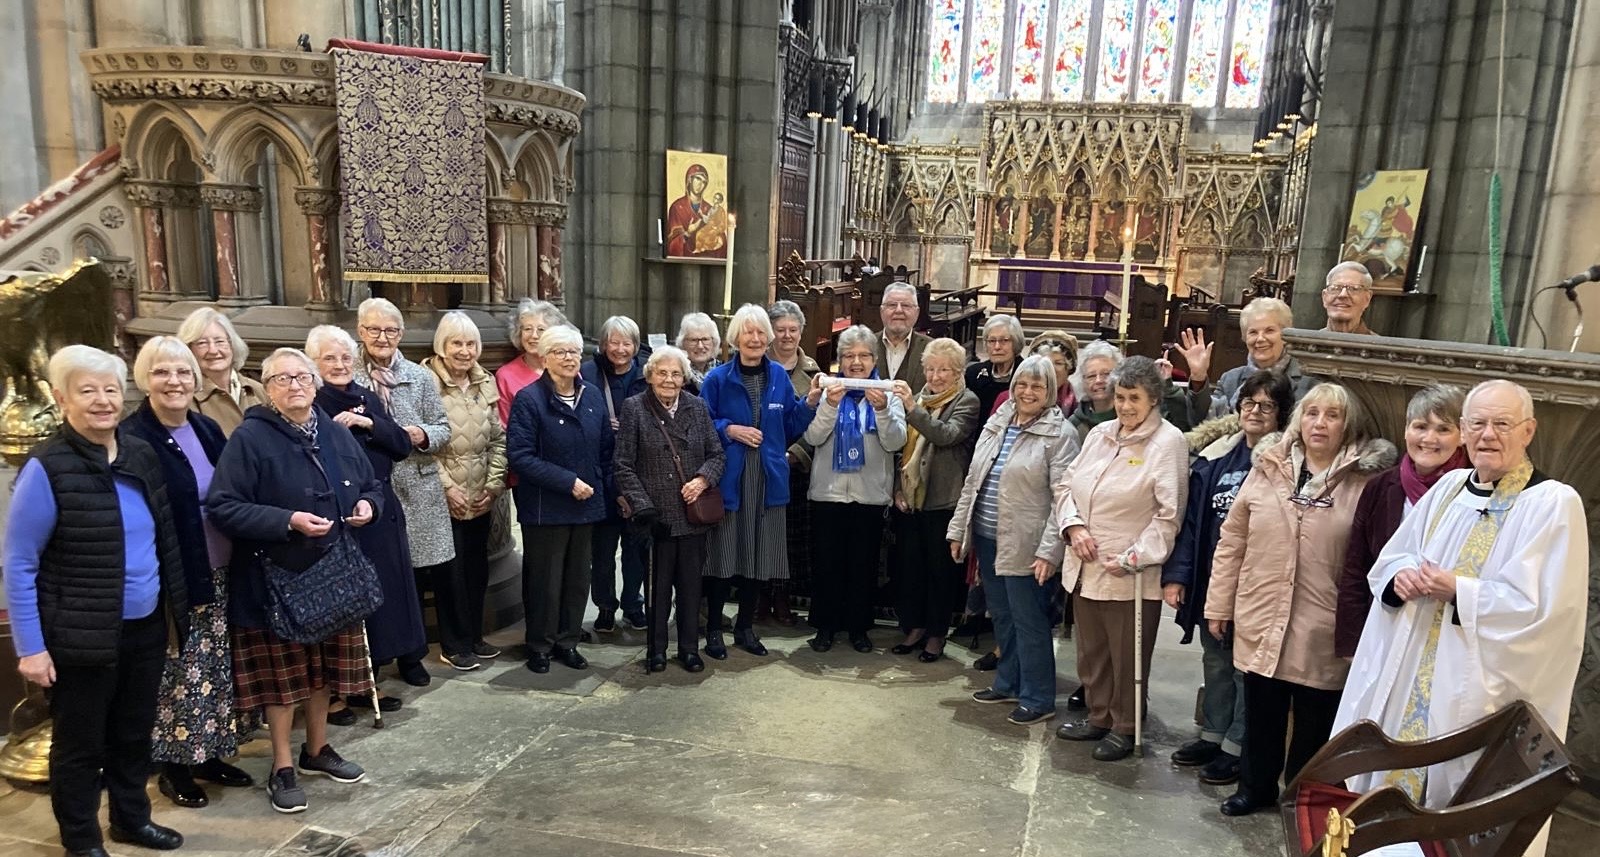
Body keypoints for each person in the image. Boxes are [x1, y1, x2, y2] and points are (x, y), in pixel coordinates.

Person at [1332, 381, 1587, 857]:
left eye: (1502, 424)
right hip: (1411, 675)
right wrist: (1400, 577)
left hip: (1479, 690)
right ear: (1465, 431)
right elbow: (1394, 556)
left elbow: (1548, 612)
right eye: (1478, 423)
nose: (1488, 435)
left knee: (1460, 808)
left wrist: (1460, 591)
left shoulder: (1553, 503)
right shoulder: (1450, 488)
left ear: (1528, 431)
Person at [3, 345, 189, 854]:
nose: (103, 401)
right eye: (88, 391)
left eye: (110, 389)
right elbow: (19, 563)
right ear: (62, 399)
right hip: (81, 633)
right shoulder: (48, 467)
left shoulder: (139, 453)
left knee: (133, 734)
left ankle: (131, 819)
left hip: (145, 625)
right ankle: (81, 840)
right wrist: (31, 648)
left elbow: (163, 537)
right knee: (81, 745)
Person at [1204, 382, 1395, 816]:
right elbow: (1232, 540)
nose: (1319, 423)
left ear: (1348, 426)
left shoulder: (1366, 481)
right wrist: (1219, 604)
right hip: (1262, 609)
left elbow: (1374, 556)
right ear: (1298, 420)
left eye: (1332, 415)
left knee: (1314, 721)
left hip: (1322, 621)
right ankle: (1255, 789)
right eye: (1312, 413)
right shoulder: (1268, 466)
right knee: (1261, 713)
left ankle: (1301, 799)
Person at [209, 347, 378, 815]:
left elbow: (370, 484)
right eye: (281, 379)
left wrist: (369, 505)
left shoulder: (334, 432)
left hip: (334, 575)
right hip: (277, 579)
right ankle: (282, 765)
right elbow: (223, 506)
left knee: (324, 672)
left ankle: (317, 749)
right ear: (268, 389)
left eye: (302, 377)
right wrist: (287, 521)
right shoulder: (250, 438)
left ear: (315, 384)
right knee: (282, 684)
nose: (294, 385)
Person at [123, 337, 254, 809]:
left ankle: (211, 754)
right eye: (162, 372)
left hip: (223, 567)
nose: (174, 381)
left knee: (218, 668)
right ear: (144, 380)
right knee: (180, 673)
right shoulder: (134, 437)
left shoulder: (205, 427)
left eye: (182, 372)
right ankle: (175, 767)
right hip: (176, 573)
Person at [1161, 370, 1294, 787]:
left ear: (1281, 415)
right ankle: (1213, 735)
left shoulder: (1285, 464)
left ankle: (1237, 747)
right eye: (1249, 403)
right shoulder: (1216, 456)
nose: (1256, 412)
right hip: (1211, 578)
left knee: (1243, 669)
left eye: (1267, 406)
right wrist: (1178, 576)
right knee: (1215, 662)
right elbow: (1192, 522)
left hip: (1255, 584)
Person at [1054, 356, 1189, 761]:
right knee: (1091, 651)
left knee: (1126, 656)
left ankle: (1125, 726)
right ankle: (1098, 716)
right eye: (1120, 397)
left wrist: (1134, 556)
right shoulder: (1099, 434)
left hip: (1129, 572)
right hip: (1085, 563)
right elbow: (1065, 486)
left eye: (1135, 398)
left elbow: (1169, 516)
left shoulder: (1168, 442)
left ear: (1154, 399)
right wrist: (1073, 527)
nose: (1125, 406)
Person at [948, 355, 1078, 726]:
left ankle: (1038, 697)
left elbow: (1064, 498)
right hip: (988, 536)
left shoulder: (1060, 434)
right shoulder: (998, 421)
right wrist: (958, 529)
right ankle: (1008, 683)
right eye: (1022, 384)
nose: (1027, 392)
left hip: (1027, 543)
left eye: (1037, 386)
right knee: (1003, 616)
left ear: (1050, 391)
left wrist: (1049, 551)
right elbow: (974, 480)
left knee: (1029, 621)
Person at [306, 325, 428, 717]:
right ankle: (342, 690)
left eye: (345, 357)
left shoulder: (366, 396)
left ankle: (370, 679)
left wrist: (370, 423)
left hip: (380, 506)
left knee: (386, 597)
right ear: (313, 363)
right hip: (342, 513)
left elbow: (401, 445)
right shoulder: (312, 401)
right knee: (349, 604)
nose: (339, 364)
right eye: (329, 358)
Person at [702, 304, 820, 658]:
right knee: (723, 558)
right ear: (735, 338)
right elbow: (701, 424)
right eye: (747, 332)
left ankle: (745, 629)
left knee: (758, 557)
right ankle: (713, 630)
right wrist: (730, 430)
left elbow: (790, 425)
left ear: (767, 338)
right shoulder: (717, 379)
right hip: (731, 479)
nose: (754, 339)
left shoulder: (779, 377)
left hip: (767, 480)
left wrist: (810, 403)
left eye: (759, 333)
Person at [354, 298, 461, 680]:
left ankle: (412, 656)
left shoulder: (419, 376)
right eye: (374, 329)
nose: (382, 337)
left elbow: (442, 428)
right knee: (384, 573)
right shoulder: (349, 375)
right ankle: (380, 656)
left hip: (417, 486)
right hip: (372, 486)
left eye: (390, 330)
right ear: (360, 332)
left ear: (401, 334)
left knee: (416, 574)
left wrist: (421, 434)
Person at [507, 324, 613, 674]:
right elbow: (520, 456)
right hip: (546, 507)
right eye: (560, 352)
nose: (569, 358)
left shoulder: (592, 396)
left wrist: (600, 487)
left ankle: (568, 641)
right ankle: (540, 645)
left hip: (586, 505)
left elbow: (605, 449)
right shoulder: (529, 399)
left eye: (574, 352)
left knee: (577, 579)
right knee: (545, 581)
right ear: (544, 357)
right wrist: (568, 482)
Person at [613, 346, 727, 672]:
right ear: (650, 376)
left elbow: (717, 454)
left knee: (691, 589)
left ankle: (689, 649)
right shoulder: (635, 408)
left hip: (692, 515)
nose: (669, 379)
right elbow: (623, 465)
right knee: (658, 590)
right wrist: (644, 507)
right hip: (656, 518)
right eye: (662, 373)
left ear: (684, 378)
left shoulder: (697, 406)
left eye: (676, 373)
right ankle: (657, 649)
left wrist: (702, 480)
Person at [1334, 385, 1467, 658]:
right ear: (1406, 430)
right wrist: (1352, 645)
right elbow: (1357, 567)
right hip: (1385, 628)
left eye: (1443, 429)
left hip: (1446, 638)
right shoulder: (1380, 487)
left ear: (1462, 435)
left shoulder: (1474, 490)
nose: (1429, 438)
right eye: (1420, 426)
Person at [804, 325, 908, 653]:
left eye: (864, 355)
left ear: (875, 359)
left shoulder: (888, 393)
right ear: (840, 361)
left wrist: (882, 410)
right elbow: (813, 437)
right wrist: (829, 407)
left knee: (863, 566)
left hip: (869, 495)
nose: (857, 362)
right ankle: (825, 627)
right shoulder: (828, 391)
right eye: (849, 356)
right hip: (828, 493)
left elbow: (896, 442)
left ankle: (858, 628)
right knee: (827, 564)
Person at [423, 312, 508, 664]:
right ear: (442, 346)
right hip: (443, 496)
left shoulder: (484, 380)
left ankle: (474, 637)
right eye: (456, 343)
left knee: (476, 570)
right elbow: (421, 445)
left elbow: (498, 439)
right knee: (450, 574)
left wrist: (494, 483)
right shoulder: (426, 381)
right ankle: (453, 645)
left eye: (471, 343)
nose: (464, 351)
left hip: (480, 494)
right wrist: (447, 489)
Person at [890, 337, 979, 662]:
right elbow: (901, 449)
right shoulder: (919, 397)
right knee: (912, 570)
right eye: (930, 369)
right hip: (912, 499)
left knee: (940, 573)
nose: (935, 376)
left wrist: (913, 410)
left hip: (944, 500)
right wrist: (897, 488)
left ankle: (937, 635)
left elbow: (946, 435)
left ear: (958, 372)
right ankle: (914, 627)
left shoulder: (967, 401)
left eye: (943, 370)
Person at [581, 315, 650, 633]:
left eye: (627, 343)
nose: (620, 349)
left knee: (636, 548)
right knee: (603, 549)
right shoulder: (587, 374)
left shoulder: (647, 374)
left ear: (636, 346)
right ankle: (605, 606)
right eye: (613, 342)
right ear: (603, 344)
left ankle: (633, 604)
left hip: (637, 474)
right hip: (600, 473)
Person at [767, 299, 818, 626]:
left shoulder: (814, 371)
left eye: (793, 329)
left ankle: (782, 598)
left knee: (788, 539)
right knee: (761, 536)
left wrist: (794, 454)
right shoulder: (755, 365)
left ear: (801, 332)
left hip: (795, 468)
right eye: (780, 329)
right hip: (761, 464)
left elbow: (818, 422)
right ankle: (759, 598)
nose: (787, 336)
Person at [1184, 298, 1315, 417]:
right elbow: (1202, 420)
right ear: (1244, 338)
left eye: (1269, 330)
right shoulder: (1230, 379)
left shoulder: (1308, 380)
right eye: (1253, 332)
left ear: (1285, 335)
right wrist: (1198, 377)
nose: (1260, 339)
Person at [1067, 341, 1203, 441]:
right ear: (1082, 381)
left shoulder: (1138, 414)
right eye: (1091, 376)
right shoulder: (1075, 423)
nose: (1098, 380)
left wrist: (1166, 386)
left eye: (1106, 374)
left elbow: (1181, 424)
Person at [178, 306, 266, 435]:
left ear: (232, 345)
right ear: (189, 350)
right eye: (202, 343)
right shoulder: (185, 398)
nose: (213, 350)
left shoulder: (259, 391)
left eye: (219, 341)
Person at [496, 298, 567, 426]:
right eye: (527, 329)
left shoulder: (567, 368)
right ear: (519, 333)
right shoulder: (505, 376)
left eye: (541, 329)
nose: (533, 335)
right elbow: (505, 426)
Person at [994, 330, 1078, 415]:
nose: (1051, 368)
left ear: (1069, 368)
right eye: (1045, 362)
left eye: (1058, 363)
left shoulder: (1078, 403)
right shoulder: (1007, 399)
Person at [872, 282, 931, 392]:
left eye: (906, 305)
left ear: (917, 312)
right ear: (881, 311)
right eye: (892, 305)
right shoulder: (865, 345)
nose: (899, 310)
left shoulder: (932, 349)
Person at [966, 314, 1024, 419]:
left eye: (1004, 340)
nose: (997, 347)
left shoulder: (1026, 375)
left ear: (1016, 342)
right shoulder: (973, 374)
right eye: (992, 341)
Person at [665, 163, 727, 257]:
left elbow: (721, 235)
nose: (700, 184)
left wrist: (718, 237)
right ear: (690, 179)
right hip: (682, 261)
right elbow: (672, 242)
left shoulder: (710, 209)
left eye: (704, 182)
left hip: (706, 258)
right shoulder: (677, 207)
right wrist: (688, 233)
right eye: (698, 179)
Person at [1321, 261, 1376, 335]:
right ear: (1324, 297)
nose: (1343, 295)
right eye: (1336, 288)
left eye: (1353, 289)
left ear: (1367, 299)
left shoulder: (1378, 342)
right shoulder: (1308, 340)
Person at [677, 311, 722, 394]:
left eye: (705, 339)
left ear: (714, 342)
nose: (700, 346)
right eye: (693, 340)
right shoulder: (677, 374)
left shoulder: (724, 373)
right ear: (683, 343)